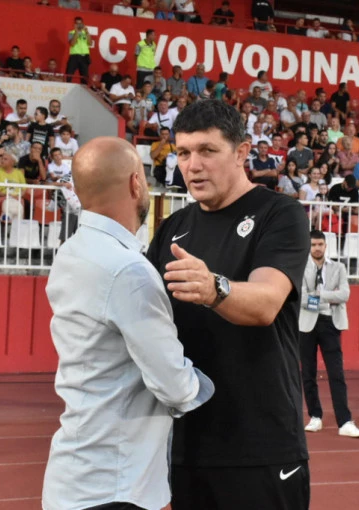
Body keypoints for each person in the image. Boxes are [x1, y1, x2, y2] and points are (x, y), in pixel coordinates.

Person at [146, 100, 311, 510]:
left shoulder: (280, 214)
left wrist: (213, 288)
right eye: (184, 153)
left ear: (241, 153)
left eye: (207, 150)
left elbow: (266, 302)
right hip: (186, 445)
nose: (193, 165)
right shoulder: (172, 227)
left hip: (261, 445)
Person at [42, 136, 213, 510]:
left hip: (75, 475)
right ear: (136, 183)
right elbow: (175, 386)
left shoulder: (72, 252)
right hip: (114, 484)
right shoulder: (129, 270)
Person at [299, 230, 359, 438]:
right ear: (308, 246)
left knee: (336, 374)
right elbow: (300, 298)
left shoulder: (339, 267)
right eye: (313, 245)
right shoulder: (300, 267)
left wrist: (318, 295)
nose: (317, 248)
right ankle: (315, 416)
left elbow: (344, 294)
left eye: (320, 244)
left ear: (326, 246)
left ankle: (344, 421)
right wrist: (328, 299)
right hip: (306, 325)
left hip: (330, 324)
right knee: (308, 373)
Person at [66, 17, 92, 84]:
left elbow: (90, 43)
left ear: (83, 24)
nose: (79, 25)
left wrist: (87, 32)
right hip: (74, 56)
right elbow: (72, 43)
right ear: (74, 24)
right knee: (69, 75)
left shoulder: (85, 33)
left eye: (80, 23)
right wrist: (76, 32)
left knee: (84, 77)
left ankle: (84, 88)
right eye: (77, 23)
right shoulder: (71, 33)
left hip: (84, 56)